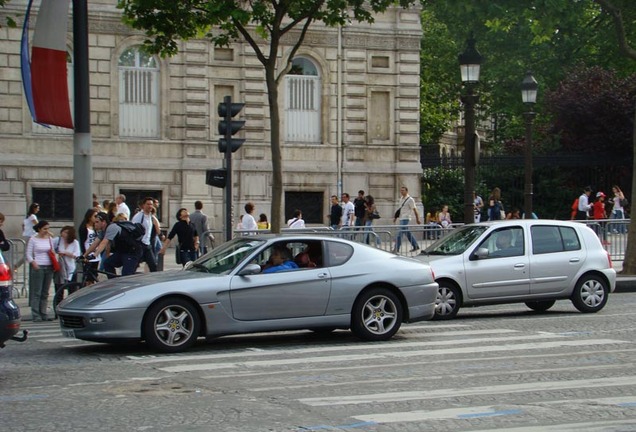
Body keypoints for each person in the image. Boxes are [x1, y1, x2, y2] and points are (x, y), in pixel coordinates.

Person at [25, 220, 55, 321]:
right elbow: (28, 254)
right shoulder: (33, 239)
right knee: (37, 292)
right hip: (39, 266)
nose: (46, 231)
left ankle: (43, 312)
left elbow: (52, 251)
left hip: (49, 266)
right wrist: (33, 263)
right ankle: (36, 314)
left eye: (48, 229)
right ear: (39, 229)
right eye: (44, 229)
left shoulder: (49, 239)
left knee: (45, 292)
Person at [131, 197, 159, 272]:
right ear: (143, 205)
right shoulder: (139, 216)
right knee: (134, 265)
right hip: (139, 244)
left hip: (147, 245)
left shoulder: (151, 216)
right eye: (148, 204)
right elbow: (133, 229)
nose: (150, 206)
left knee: (153, 265)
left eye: (151, 204)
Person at [53, 226, 81, 297]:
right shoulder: (57, 240)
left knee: (72, 290)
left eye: (67, 233)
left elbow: (77, 255)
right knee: (59, 289)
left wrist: (66, 253)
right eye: (64, 232)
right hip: (60, 268)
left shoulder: (75, 243)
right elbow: (51, 249)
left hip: (71, 267)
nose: (64, 234)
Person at [393, 186, 421, 253]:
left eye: (403, 190)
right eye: (401, 190)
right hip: (401, 217)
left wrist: (418, 219)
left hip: (406, 218)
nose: (401, 192)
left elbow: (415, 210)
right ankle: (415, 245)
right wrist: (395, 217)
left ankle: (396, 248)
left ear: (406, 191)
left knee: (399, 233)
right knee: (407, 233)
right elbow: (400, 209)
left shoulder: (410, 199)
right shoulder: (401, 198)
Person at [78, 208, 100, 284]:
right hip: (88, 252)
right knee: (88, 277)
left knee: (94, 275)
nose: (96, 218)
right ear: (89, 217)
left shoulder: (96, 227)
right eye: (95, 216)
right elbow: (82, 242)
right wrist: (84, 255)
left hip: (95, 254)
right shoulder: (84, 228)